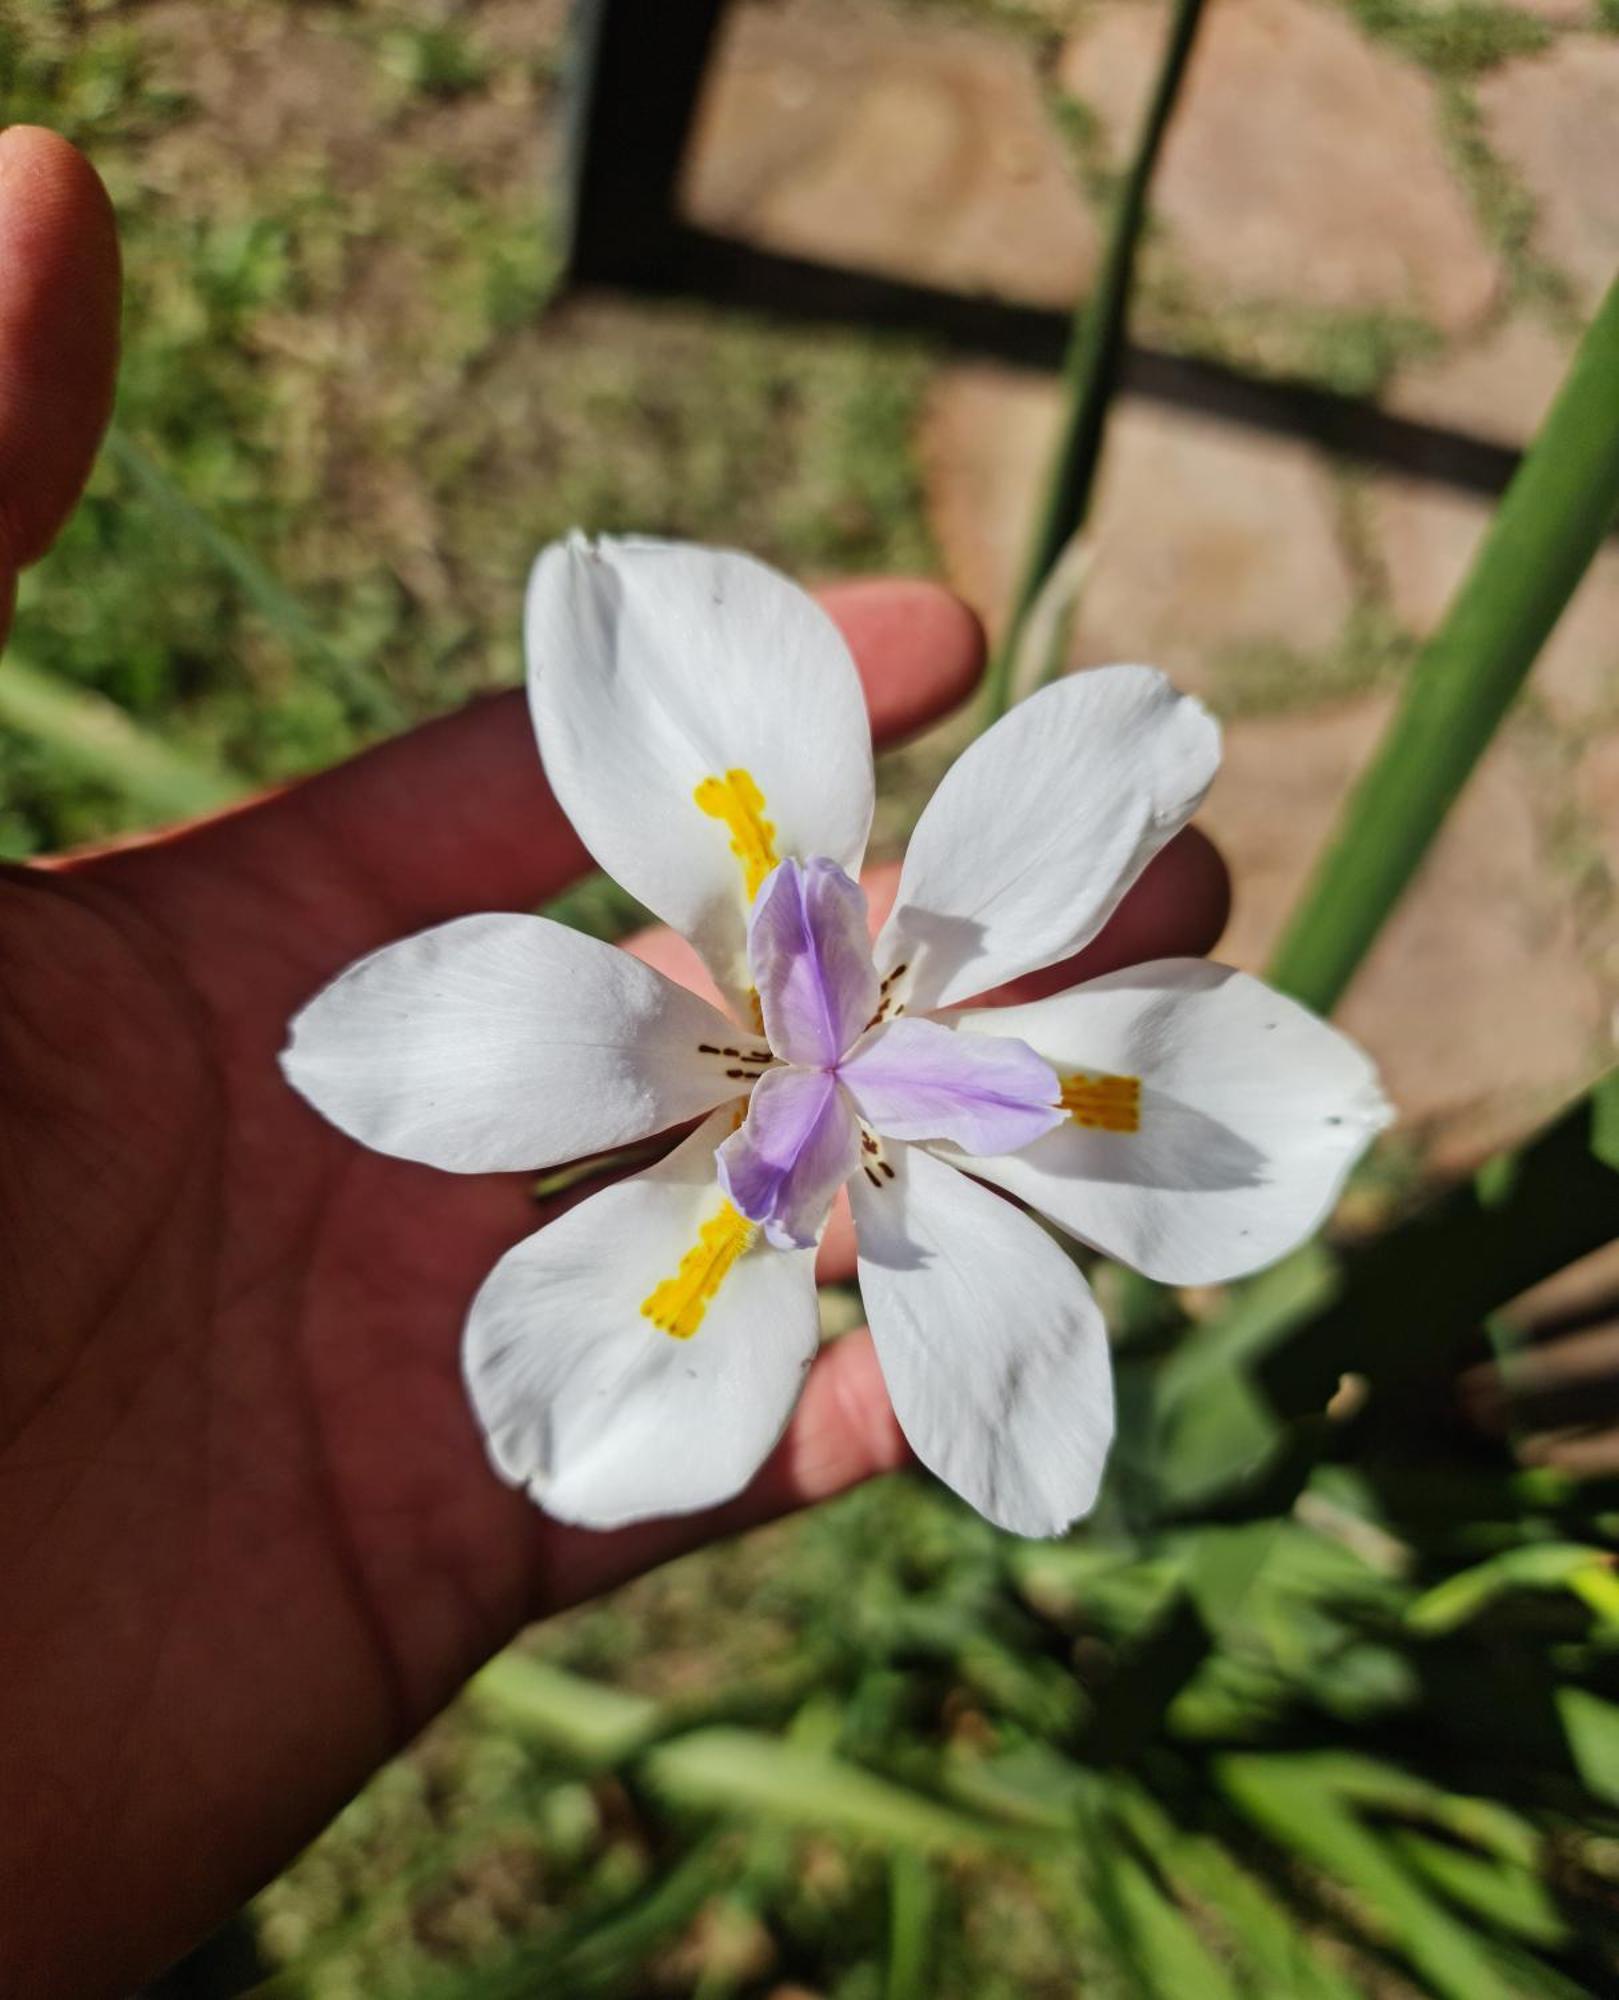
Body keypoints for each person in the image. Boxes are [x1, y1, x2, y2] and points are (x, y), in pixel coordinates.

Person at [0, 127, 1229, 1997]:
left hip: (855, 1153)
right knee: (809, 1000)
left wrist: (1048, 1096)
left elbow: (943, 1082)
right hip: (709, 1146)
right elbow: (652, 1014)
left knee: (1059, 1092)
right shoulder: (707, 958)